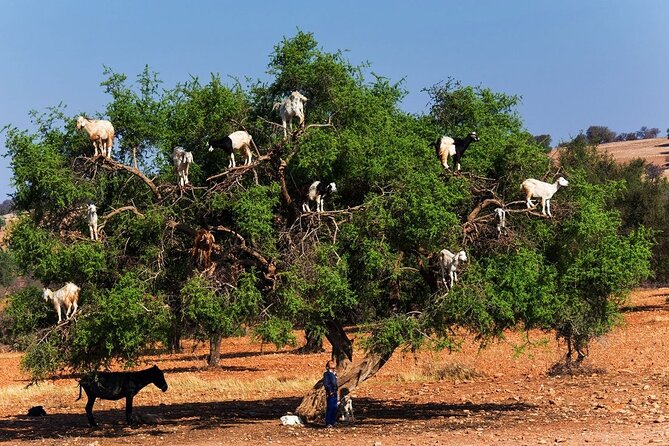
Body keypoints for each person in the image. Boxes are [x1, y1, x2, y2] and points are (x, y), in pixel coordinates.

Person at [323, 359, 338, 427]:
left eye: (333, 363)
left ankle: (333, 421)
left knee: (334, 407)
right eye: (330, 363)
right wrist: (330, 391)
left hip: (335, 392)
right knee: (330, 407)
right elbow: (326, 384)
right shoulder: (327, 374)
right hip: (331, 393)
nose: (333, 364)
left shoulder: (334, 374)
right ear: (327, 366)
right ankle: (328, 422)